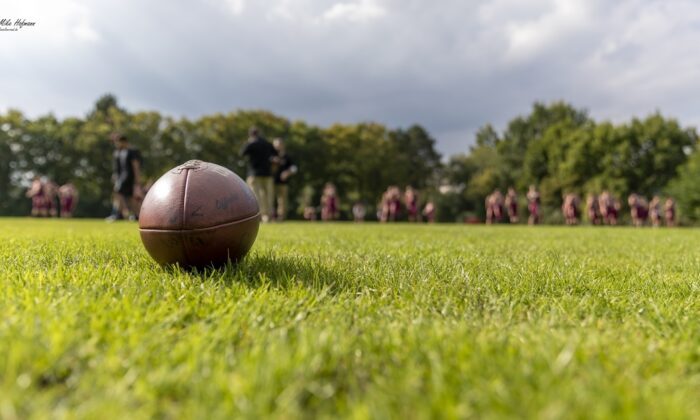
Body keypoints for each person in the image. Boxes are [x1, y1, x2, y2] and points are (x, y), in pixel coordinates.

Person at [240, 127, 277, 222]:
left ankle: (259, 216)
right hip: (267, 173)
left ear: (250, 135)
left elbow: (242, 153)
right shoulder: (267, 143)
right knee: (268, 196)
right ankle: (268, 216)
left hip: (254, 174)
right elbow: (276, 154)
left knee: (255, 196)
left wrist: (249, 142)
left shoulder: (251, 143)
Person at [107, 133, 143, 221]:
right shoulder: (119, 152)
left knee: (118, 193)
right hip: (121, 177)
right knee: (129, 197)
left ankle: (118, 214)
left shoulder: (132, 152)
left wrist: (137, 179)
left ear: (124, 142)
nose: (116, 144)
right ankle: (136, 215)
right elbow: (119, 167)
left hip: (128, 177)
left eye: (118, 142)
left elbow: (136, 166)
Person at [272, 138, 297, 221]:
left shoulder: (287, 156)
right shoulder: (271, 155)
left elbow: (294, 168)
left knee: (282, 201)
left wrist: (287, 172)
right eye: (275, 145)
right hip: (271, 182)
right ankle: (270, 217)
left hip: (283, 183)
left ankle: (281, 217)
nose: (276, 147)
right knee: (270, 200)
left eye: (278, 145)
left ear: (282, 145)